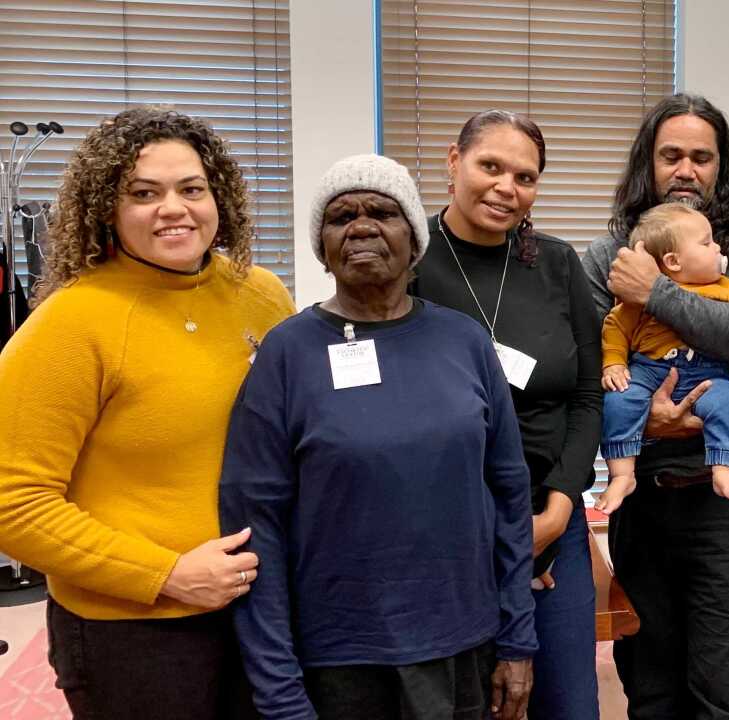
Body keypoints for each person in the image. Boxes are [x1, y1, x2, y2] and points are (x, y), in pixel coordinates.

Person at [0, 106, 295, 718]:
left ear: (220, 198)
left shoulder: (262, 296)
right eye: (143, 193)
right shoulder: (68, 326)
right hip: (133, 632)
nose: (174, 208)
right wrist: (165, 573)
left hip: (260, 609)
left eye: (192, 188)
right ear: (106, 207)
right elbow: (13, 503)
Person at [220, 154, 535, 720]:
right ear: (323, 244)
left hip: (462, 645)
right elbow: (252, 524)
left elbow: (510, 497)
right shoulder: (286, 354)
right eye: (341, 217)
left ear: (413, 238)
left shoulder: (464, 342)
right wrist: (277, 687)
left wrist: (517, 641)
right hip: (337, 658)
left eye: (383, 213)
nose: (362, 226)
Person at [582, 92, 729, 720]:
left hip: (727, 503)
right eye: (671, 155)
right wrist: (644, 419)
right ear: (647, 165)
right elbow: (595, 366)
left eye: (702, 158)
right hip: (643, 499)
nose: (686, 170)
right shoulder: (608, 255)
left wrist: (657, 292)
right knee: (651, 689)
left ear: (721, 168)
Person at [407, 109, 602, 720]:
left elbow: (589, 394)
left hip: (551, 520)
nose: (506, 187)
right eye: (490, 166)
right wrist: (496, 536)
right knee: (471, 703)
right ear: (452, 162)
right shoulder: (408, 263)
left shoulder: (557, 263)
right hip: (448, 531)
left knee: (568, 703)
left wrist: (563, 504)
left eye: (525, 176)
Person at [597, 202, 729, 512]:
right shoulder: (639, 292)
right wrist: (615, 362)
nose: (718, 248)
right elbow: (615, 325)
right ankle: (621, 473)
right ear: (673, 261)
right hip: (649, 369)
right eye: (706, 242)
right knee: (619, 400)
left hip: (711, 372)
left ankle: (724, 470)